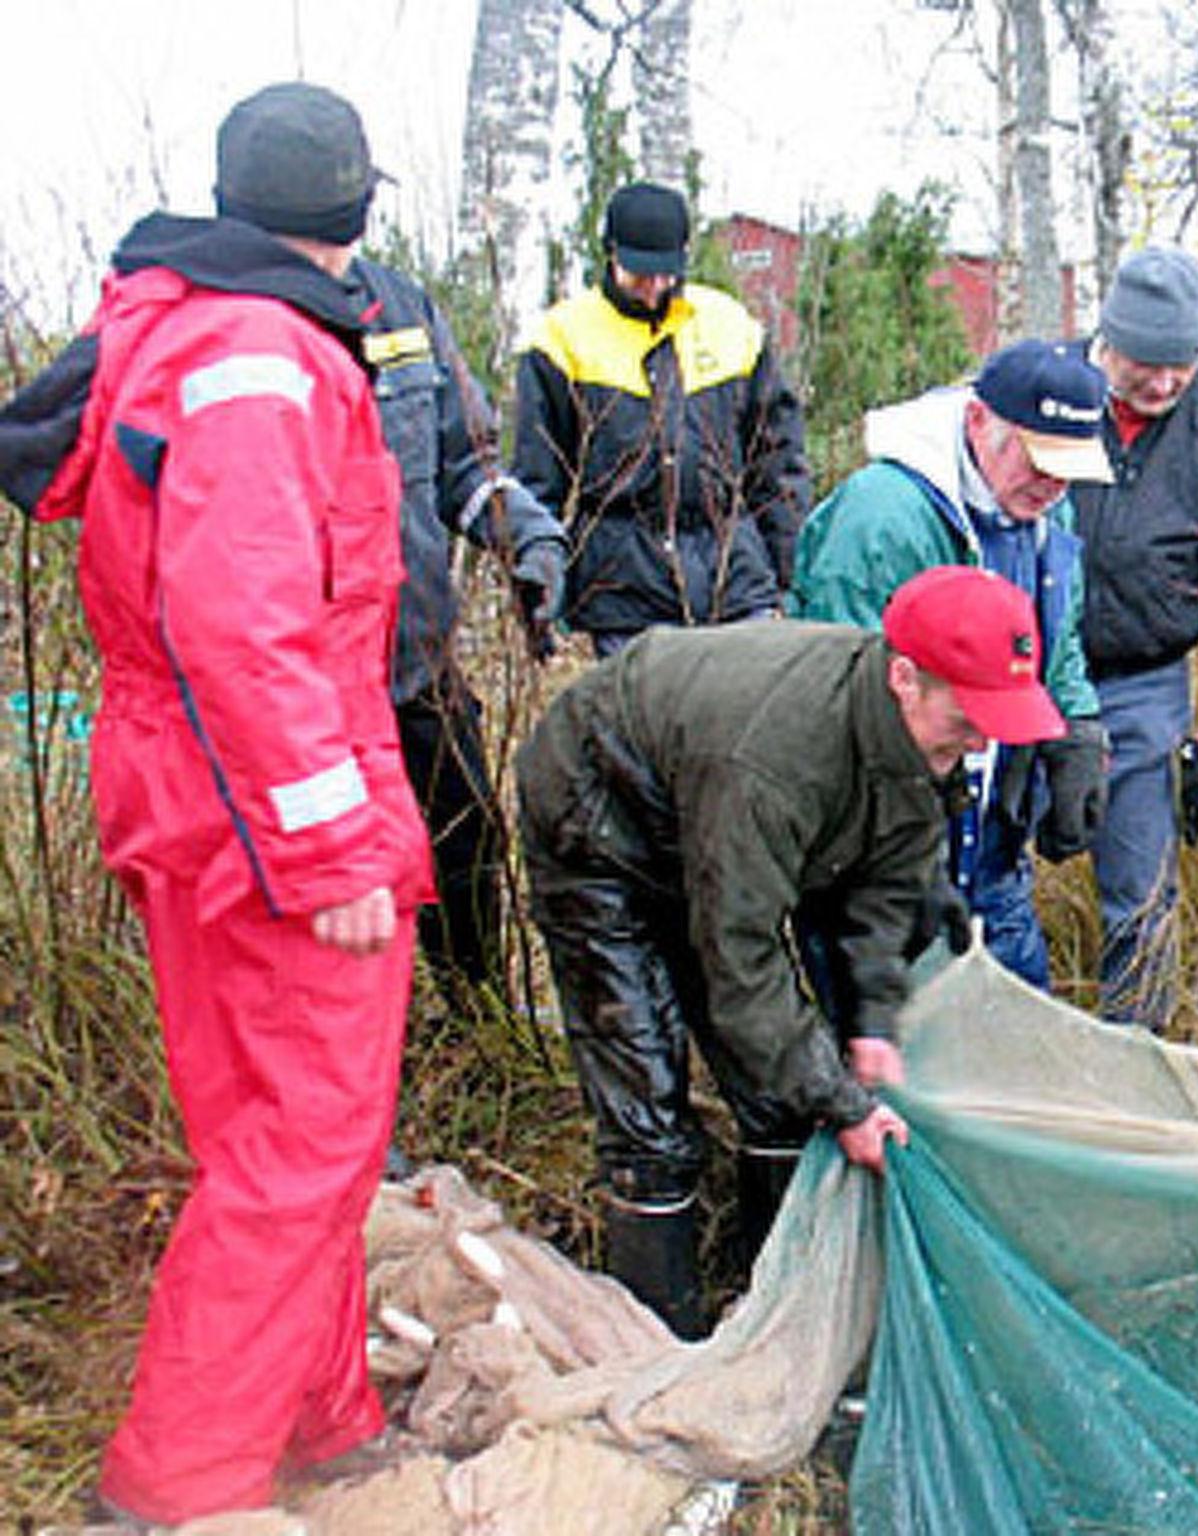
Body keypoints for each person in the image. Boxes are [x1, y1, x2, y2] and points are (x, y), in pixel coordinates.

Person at [0, 83, 433, 1525]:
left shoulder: (183, 320)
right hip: (261, 804)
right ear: (356, 210)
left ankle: (318, 1412)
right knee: (304, 1145)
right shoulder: (262, 353)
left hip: (189, 784)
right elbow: (244, 625)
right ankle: (184, 1474)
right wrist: (328, 849)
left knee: (270, 1135)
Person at [514, 565, 1067, 1338]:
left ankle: (776, 1310)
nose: (982, 740)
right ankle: (657, 1342)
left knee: (780, 1095)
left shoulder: (917, 746)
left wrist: (873, 1024)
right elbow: (739, 961)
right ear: (905, 678)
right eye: (970, 715)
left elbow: (887, 890)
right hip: (599, 820)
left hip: (711, 822)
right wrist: (842, 1103)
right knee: (650, 1110)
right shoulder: (776, 760)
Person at [789, 338, 1113, 987]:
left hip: (994, 849)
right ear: (977, 423)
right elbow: (842, 698)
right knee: (893, 1061)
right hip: (881, 854)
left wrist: (1076, 726)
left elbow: (1058, 636)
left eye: (1069, 467)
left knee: (1019, 1049)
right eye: (1037, 458)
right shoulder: (883, 517)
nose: (1053, 484)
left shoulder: (1046, 510)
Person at [1067, 247, 1198, 1026]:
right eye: (1144, 364)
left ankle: (1133, 1064)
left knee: (1141, 898)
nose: (1161, 385)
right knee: (984, 880)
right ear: (1107, 338)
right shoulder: (1052, 389)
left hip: (1145, 680)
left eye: (1181, 365)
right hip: (1021, 677)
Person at [349, 254, 568, 997]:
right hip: (303, 687)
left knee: (465, 839)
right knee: (340, 872)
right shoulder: (241, 319)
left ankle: (476, 1020)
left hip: (414, 657)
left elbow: (464, 466)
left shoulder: (401, 306)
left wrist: (530, 541)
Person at [511, 180, 810, 654]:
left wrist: (791, 579)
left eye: (666, 275)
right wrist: (539, 589)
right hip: (622, 595)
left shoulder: (732, 328)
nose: (653, 289)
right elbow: (535, 485)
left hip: (735, 585)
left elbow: (778, 466)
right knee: (648, 727)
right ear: (610, 254)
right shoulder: (560, 342)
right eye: (638, 274)